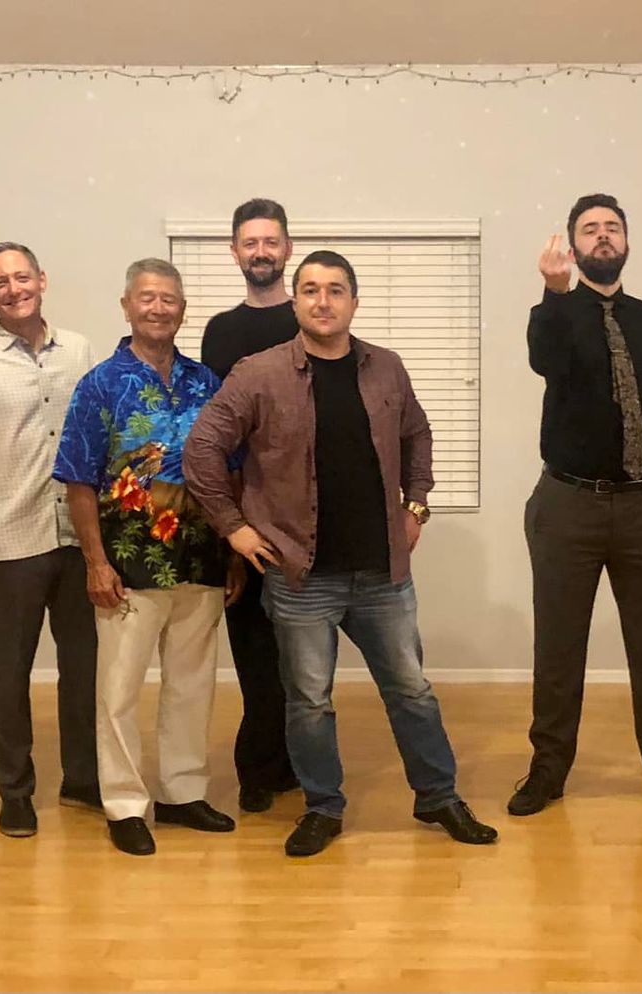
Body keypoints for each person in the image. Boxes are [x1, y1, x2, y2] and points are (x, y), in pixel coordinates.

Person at [184, 250, 498, 857]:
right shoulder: (258, 373)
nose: (322, 301)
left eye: (334, 290)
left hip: (382, 571)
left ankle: (438, 797)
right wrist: (235, 529)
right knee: (308, 701)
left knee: (411, 690)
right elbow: (201, 450)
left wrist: (418, 505)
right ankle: (323, 808)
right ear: (295, 302)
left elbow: (418, 434)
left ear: (353, 301)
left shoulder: (386, 368)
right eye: (309, 290)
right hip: (301, 576)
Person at [512, 193, 642, 820]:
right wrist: (553, 291)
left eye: (612, 228)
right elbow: (544, 360)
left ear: (627, 242)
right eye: (590, 229)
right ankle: (548, 771)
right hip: (566, 503)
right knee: (559, 646)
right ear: (573, 246)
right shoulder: (556, 315)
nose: (603, 237)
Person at [53, 258, 239, 856]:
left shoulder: (207, 383)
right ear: (127, 304)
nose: (159, 309)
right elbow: (78, 480)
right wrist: (95, 562)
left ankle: (183, 793)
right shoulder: (100, 384)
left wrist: (233, 552)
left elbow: (229, 471)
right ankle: (126, 803)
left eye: (170, 300)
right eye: (148, 298)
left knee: (192, 685)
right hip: (129, 562)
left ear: (182, 310)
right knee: (120, 690)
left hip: (202, 559)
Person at [0, 241, 99, 837]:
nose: (13, 288)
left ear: (42, 280)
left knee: (84, 671)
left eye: (22, 277)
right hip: (10, 540)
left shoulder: (79, 351)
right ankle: (16, 792)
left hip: (79, 539)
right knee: (11, 676)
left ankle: (84, 780)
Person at [199, 198, 301, 812]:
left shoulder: (312, 317)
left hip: (306, 519)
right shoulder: (221, 332)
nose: (261, 251)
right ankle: (258, 770)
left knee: (304, 662)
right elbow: (215, 437)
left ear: (287, 247)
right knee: (257, 657)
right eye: (250, 242)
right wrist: (228, 528)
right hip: (242, 520)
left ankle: (300, 763)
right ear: (234, 252)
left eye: (271, 241)